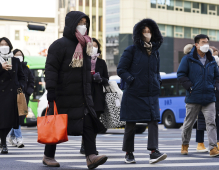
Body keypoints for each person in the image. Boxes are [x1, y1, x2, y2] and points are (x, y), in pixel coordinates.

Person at [43, 11, 108, 169]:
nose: (83, 26)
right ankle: (48, 156)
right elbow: (51, 69)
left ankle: (91, 156)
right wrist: (51, 91)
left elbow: (86, 72)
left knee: (89, 123)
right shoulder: (59, 45)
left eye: (86, 23)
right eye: (80, 22)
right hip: (63, 94)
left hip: (83, 95)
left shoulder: (87, 45)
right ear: (72, 24)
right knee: (56, 123)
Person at [117, 19, 167, 164]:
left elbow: (156, 71)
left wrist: (158, 81)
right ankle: (129, 153)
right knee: (131, 124)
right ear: (139, 33)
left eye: (149, 31)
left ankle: (153, 151)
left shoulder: (155, 52)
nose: (147, 34)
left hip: (151, 93)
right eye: (144, 31)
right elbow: (121, 69)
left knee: (153, 121)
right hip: (133, 93)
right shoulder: (131, 50)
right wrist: (131, 79)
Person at [177, 34, 219, 157]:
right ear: (196, 44)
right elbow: (181, 74)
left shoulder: (211, 59)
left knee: (211, 123)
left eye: (207, 42)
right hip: (193, 96)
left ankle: (213, 148)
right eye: (203, 42)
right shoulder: (188, 59)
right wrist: (190, 87)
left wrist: (215, 86)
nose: (206, 44)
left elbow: (217, 76)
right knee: (188, 123)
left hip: (209, 97)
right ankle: (185, 144)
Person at [80, 38, 109, 155]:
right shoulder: (82, 61)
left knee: (95, 122)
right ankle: (85, 146)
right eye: (92, 45)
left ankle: (90, 145)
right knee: (87, 122)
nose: (94, 48)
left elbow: (107, 79)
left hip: (97, 96)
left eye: (96, 46)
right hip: (85, 95)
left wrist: (100, 79)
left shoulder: (102, 63)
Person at [0, 37, 25, 154]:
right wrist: (0, 68)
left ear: (10, 46)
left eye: (6, 44)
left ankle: (4, 140)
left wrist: (20, 86)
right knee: (1, 120)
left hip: (13, 94)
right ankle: (3, 142)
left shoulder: (15, 61)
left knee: (12, 121)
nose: (4, 46)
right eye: (1, 44)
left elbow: (22, 76)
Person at [193, 46, 219, 152]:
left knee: (203, 121)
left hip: (204, 96)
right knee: (213, 121)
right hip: (210, 96)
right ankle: (213, 143)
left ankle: (202, 144)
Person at [8, 49, 34, 148]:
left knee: (20, 118)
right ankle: (19, 139)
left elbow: (31, 82)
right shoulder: (11, 67)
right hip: (13, 96)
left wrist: (28, 92)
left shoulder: (27, 69)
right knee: (17, 118)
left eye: (20, 55)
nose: (19, 56)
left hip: (24, 97)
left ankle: (11, 136)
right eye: (16, 55)